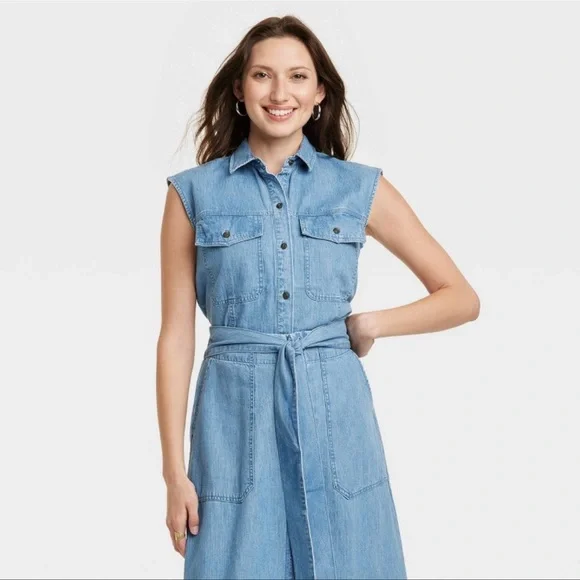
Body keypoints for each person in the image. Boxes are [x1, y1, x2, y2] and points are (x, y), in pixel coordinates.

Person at [157, 15, 480, 580]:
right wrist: (173, 474)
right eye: (262, 75)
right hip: (232, 424)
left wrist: (372, 324)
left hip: (336, 414)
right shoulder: (193, 194)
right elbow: (176, 336)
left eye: (298, 76)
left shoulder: (358, 188)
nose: (280, 93)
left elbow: (460, 297)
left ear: (320, 92)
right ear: (240, 89)